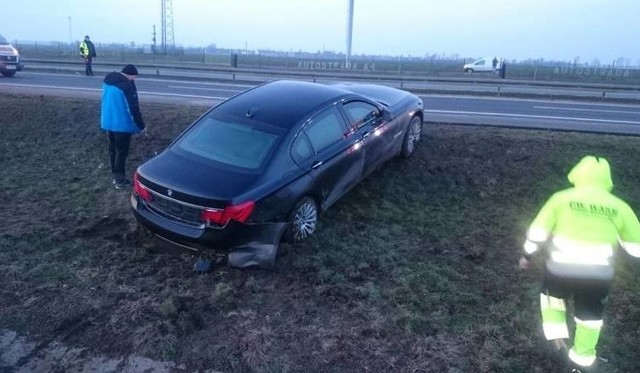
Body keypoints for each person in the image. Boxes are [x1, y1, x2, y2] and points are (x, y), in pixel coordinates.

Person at [519, 155, 640, 372]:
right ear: (607, 179)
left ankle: (556, 341)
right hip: (598, 275)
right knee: (589, 318)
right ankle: (582, 362)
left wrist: (527, 255)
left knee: (552, 300)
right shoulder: (619, 207)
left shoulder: (560, 199)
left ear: (578, 173)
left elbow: (538, 231)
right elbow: (636, 246)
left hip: (560, 269)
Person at [100, 64, 145, 189]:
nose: (133, 80)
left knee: (113, 150)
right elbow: (133, 109)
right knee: (121, 152)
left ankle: (115, 176)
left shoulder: (108, 81)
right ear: (129, 75)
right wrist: (141, 126)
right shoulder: (126, 86)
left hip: (108, 122)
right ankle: (120, 181)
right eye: (133, 77)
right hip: (122, 125)